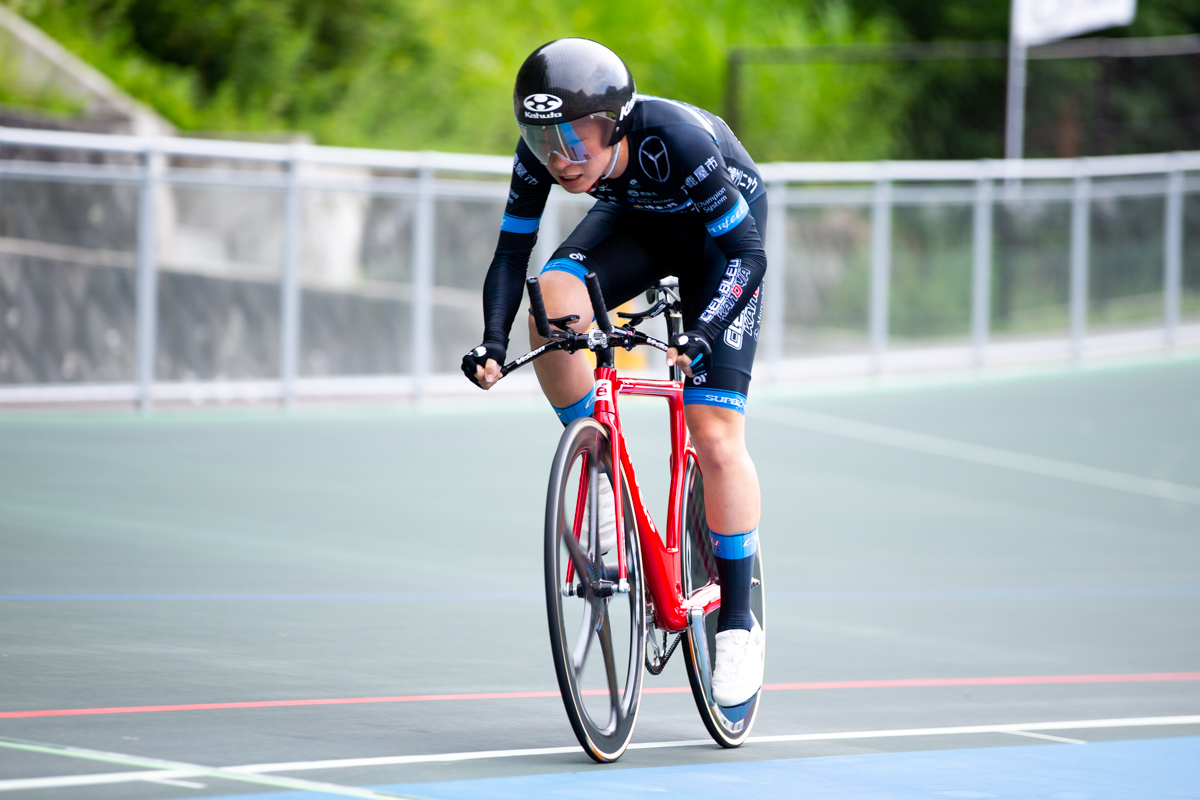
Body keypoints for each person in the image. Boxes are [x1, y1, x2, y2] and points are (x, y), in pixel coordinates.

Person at [462, 38, 766, 709]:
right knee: (554, 297)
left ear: (617, 122)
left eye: (574, 137)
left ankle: (739, 623)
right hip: (639, 223)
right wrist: (490, 341)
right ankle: (598, 469)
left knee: (714, 435)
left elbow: (747, 255)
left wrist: (704, 333)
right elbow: (512, 254)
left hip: (719, 248)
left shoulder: (676, 140)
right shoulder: (545, 157)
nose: (559, 156)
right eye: (543, 139)